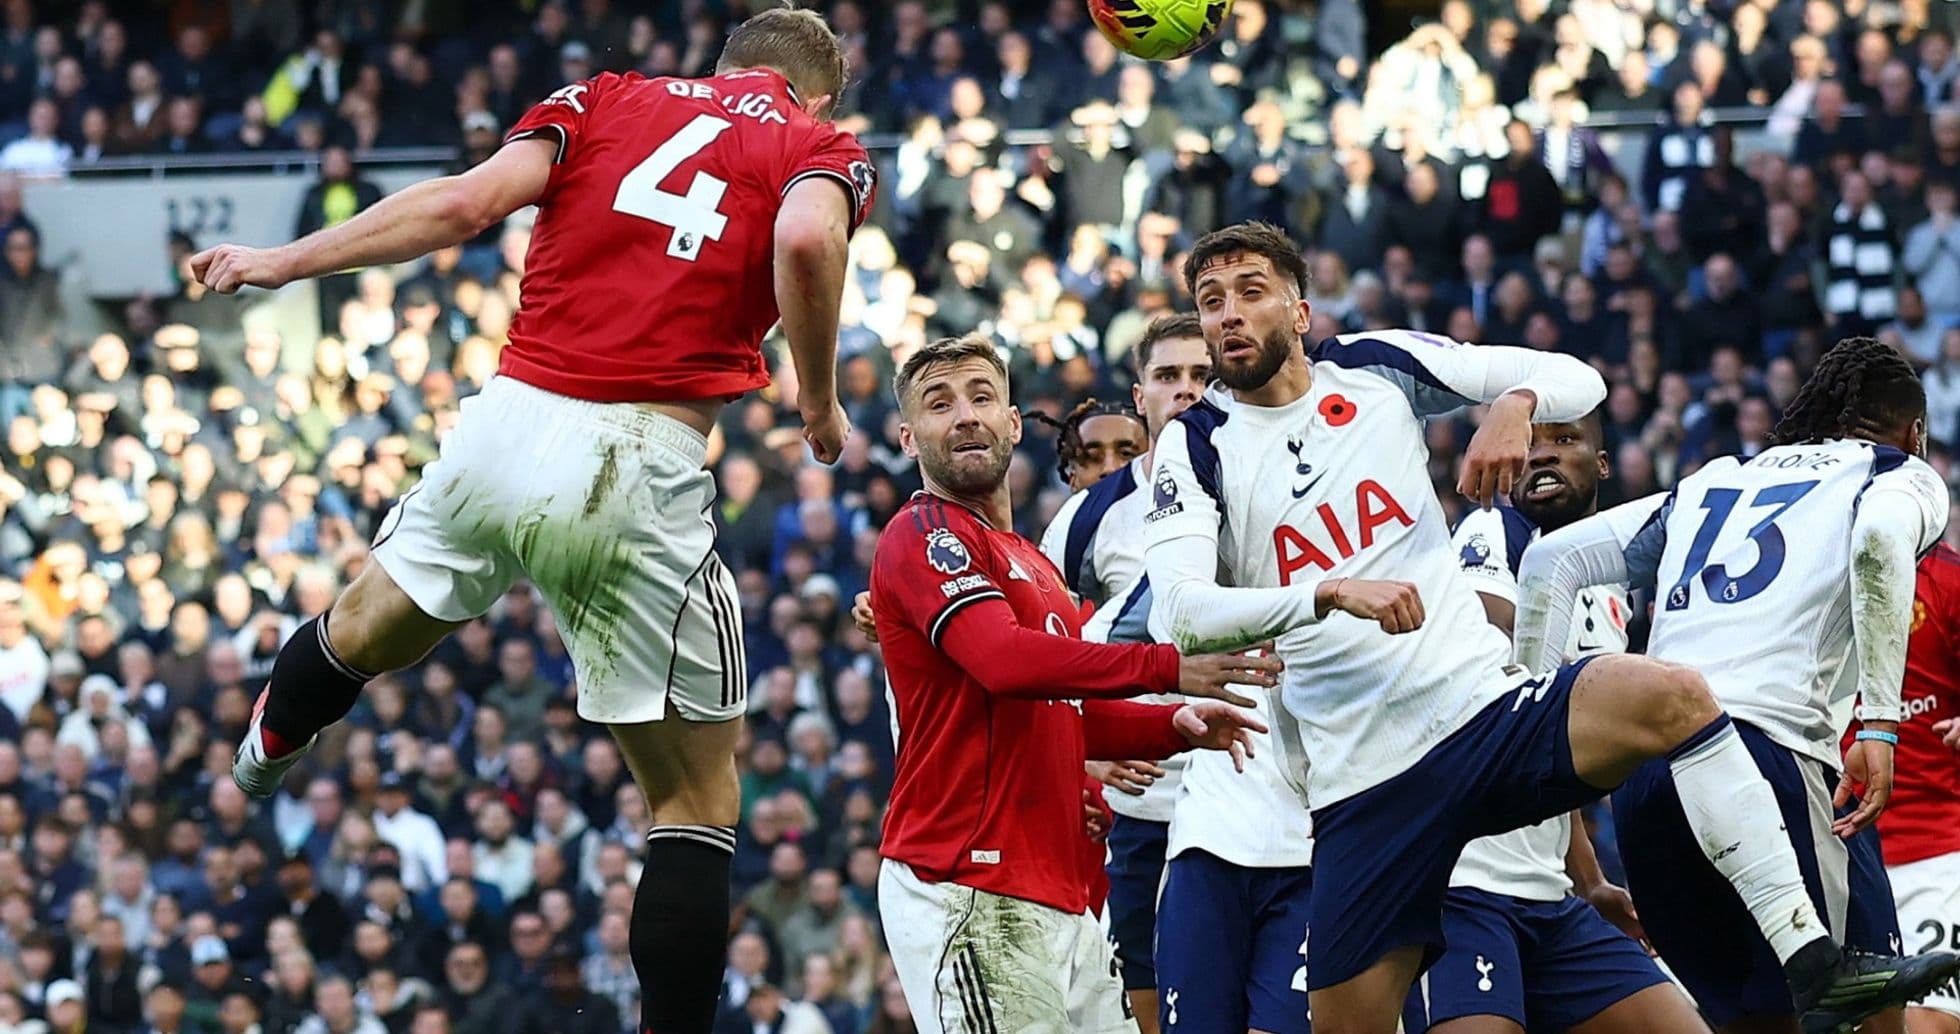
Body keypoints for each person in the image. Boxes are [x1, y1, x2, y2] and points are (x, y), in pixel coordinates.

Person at [189, 11, 876, 1033]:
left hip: (506, 420)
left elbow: (463, 203)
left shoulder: (607, 96)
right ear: (819, 94)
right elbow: (812, 234)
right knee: (695, 801)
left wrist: (282, 262)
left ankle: (265, 749)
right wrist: (817, 404)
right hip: (638, 456)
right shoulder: (814, 143)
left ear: (723, 65)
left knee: (372, 623)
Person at [1138, 222, 1958, 1034]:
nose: (1229, 317)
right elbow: (1182, 611)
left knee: (1671, 695)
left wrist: (1517, 404)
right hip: (1363, 780)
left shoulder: (1374, 366)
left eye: (1250, 293)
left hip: (1477, 717)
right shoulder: (1198, 445)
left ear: (1301, 310)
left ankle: (1810, 958)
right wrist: (1328, 593)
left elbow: (1577, 379)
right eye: (1212, 302)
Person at [1515, 336, 1956, 1034]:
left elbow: (1550, 562)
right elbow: (1878, 541)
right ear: (1914, 431)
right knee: (1874, 1021)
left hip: (1647, 790)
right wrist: (1877, 722)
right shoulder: (1894, 471)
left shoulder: (1713, 479)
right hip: (1772, 764)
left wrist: (1531, 736)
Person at [869, 332, 1279, 1034]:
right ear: (910, 438)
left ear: (1014, 423)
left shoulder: (1030, 559)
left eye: (981, 397)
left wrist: (1170, 725)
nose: (965, 415)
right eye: (940, 405)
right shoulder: (923, 535)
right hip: (969, 879)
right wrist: (1166, 668)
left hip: (1056, 888)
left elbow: (1058, 712)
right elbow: (1003, 662)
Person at [1406, 410, 1706, 1033]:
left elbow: (1546, 747)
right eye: (1530, 444)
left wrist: (1590, 879)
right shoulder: (1495, 530)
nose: (1542, 455)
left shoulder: (1610, 587)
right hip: (1460, 884)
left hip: (1548, 893)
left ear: (1601, 465)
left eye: (1564, 442)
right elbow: (1502, 655)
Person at [1035, 316, 1222, 1033]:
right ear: (1140, 394)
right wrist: (1092, 755)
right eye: (1169, 376)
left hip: (1255, 785)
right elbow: (1044, 654)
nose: (1186, 391)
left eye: (1201, 376)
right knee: (1140, 994)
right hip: (1145, 804)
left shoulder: (1271, 476)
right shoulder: (1089, 517)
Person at [1877, 544, 1960, 1034]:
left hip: (1938, 850)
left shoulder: (1946, 578)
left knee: (1930, 1025)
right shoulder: (1813, 569)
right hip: (1840, 853)